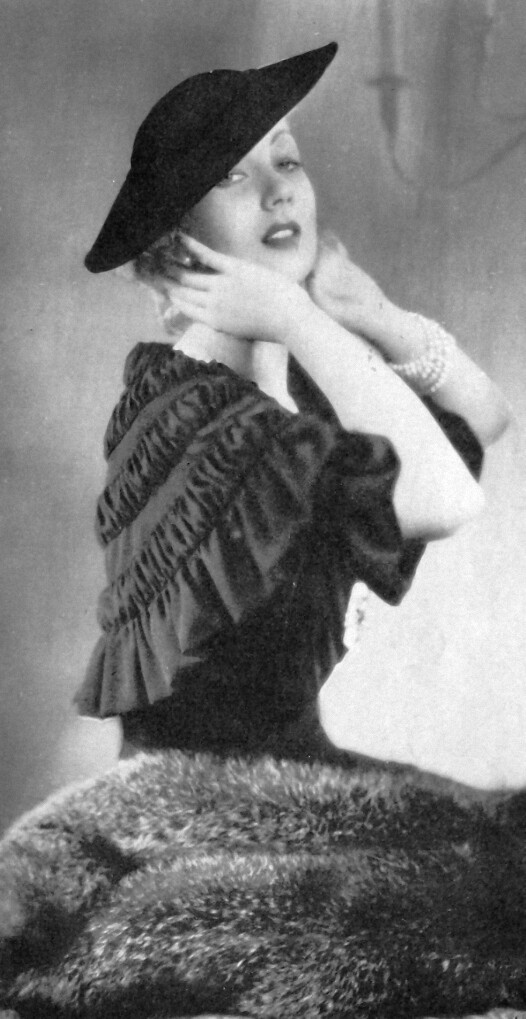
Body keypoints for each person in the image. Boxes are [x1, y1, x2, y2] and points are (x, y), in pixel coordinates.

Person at [76, 43, 510, 762]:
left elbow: (488, 422)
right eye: (231, 175)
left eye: (287, 159)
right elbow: (451, 501)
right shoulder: (203, 418)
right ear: (176, 241)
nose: (278, 191)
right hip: (222, 793)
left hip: (289, 770)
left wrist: (374, 316)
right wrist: (298, 317)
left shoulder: (300, 387)